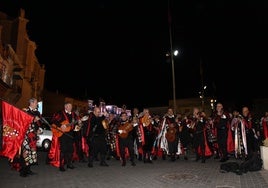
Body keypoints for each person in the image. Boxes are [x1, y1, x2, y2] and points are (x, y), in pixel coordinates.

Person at [50, 102, 81, 171]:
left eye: (71, 106)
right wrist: (60, 125)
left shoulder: (73, 114)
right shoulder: (60, 113)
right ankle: (61, 165)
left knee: (70, 150)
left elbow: (77, 121)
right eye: (69, 106)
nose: (70, 107)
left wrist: (79, 122)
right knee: (63, 150)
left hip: (70, 134)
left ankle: (69, 164)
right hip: (62, 133)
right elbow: (53, 120)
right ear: (65, 106)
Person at [18, 98, 42, 177]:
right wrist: (33, 121)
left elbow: (39, 123)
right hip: (26, 136)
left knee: (32, 153)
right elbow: (23, 122)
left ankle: (28, 169)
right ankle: (23, 171)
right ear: (31, 103)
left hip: (34, 136)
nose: (37, 105)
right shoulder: (25, 111)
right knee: (26, 152)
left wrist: (39, 129)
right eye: (35, 103)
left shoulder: (37, 112)